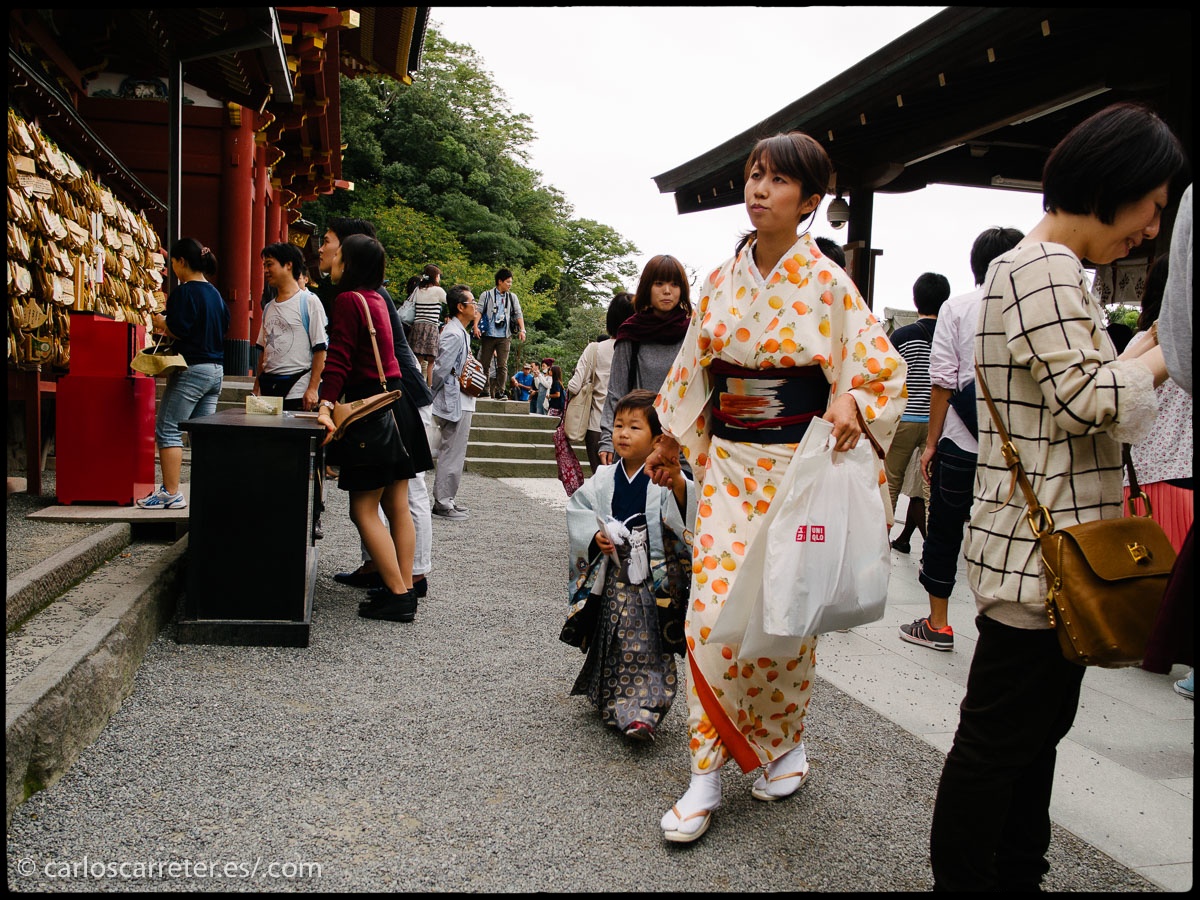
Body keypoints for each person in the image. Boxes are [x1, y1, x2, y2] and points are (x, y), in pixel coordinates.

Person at [930, 102, 1184, 891]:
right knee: (1000, 742)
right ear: (1117, 183)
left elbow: (1072, 395)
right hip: (1039, 558)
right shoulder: (1041, 267)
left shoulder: (1043, 267)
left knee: (1030, 738)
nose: (1150, 229)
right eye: (1151, 208)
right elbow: (1089, 399)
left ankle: (1018, 874)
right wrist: (1167, 353)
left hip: (1043, 550)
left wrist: (1140, 350)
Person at [644, 131, 906, 843]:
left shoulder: (829, 284)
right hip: (729, 472)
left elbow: (880, 371)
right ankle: (704, 773)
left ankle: (783, 743)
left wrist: (850, 399)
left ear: (811, 200)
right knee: (708, 618)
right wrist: (668, 439)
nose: (759, 189)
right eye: (754, 175)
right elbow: (694, 370)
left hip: (797, 476)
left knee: (785, 619)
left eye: (778, 180)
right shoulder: (720, 280)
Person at [901, 227, 1024, 652]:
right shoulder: (1032, 306)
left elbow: (942, 381)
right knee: (1009, 534)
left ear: (976, 266)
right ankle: (1005, 630)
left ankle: (938, 624)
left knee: (945, 529)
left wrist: (932, 443)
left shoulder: (958, 307)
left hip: (960, 442)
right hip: (1016, 449)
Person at [563, 389, 695, 740]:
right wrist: (595, 535)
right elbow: (578, 507)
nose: (623, 433)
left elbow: (687, 512)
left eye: (635, 427)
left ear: (658, 438)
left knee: (647, 645)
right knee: (615, 639)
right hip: (615, 576)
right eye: (619, 425)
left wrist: (678, 484)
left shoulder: (664, 475)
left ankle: (644, 712)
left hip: (652, 580)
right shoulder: (605, 476)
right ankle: (613, 701)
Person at [317, 218, 435, 599]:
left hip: (371, 411)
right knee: (397, 506)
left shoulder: (348, 300)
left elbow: (339, 359)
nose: (333, 260)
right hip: (397, 405)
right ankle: (405, 586)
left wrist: (325, 404)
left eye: (338, 255)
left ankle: (398, 594)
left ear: (349, 263)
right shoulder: (378, 299)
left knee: (363, 510)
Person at [136, 238, 230, 510]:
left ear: (181, 262)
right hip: (216, 370)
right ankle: (206, 491)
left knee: (168, 429)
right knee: (201, 434)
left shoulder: (184, 292)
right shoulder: (215, 294)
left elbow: (179, 328)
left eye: (173, 262)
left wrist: (161, 322)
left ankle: (170, 493)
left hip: (192, 369)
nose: (173, 268)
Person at [598, 256, 693, 467]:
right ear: (647, 287)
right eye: (659, 283)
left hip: (682, 445)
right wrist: (607, 439)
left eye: (674, 284)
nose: (667, 291)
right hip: (637, 445)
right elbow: (616, 392)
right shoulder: (632, 333)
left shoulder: (693, 333)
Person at [882, 272, 950, 555]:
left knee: (890, 484)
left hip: (905, 419)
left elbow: (887, 375)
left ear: (915, 300)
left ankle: (879, 545)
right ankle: (933, 551)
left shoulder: (902, 336)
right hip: (938, 423)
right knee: (931, 490)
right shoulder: (949, 336)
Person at [253, 241, 328, 412]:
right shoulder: (269, 308)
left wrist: (313, 388)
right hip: (268, 387)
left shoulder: (309, 302)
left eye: (269, 264)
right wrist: (256, 387)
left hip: (298, 387)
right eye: (264, 266)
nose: (265, 270)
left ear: (288, 265)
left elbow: (320, 349)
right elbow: (264, 351)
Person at [568, 291, 636, 473]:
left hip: (597, 426)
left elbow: (574, 386)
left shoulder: (595, 349)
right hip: (633, 428)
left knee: (601, 482)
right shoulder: (639, 350)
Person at [429, 284, 478, 520]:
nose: (475, 306)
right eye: (472, 302)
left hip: (459, 398)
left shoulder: (459, 331)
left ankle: (447, 498)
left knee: (454, 450)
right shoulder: (453, 333)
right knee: (452, 451)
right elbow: (441, 368)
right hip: (454, 398)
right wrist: (432, 394)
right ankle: (443, 502)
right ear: (460, 307)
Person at [473, 267, 527, 399]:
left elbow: (518, 313)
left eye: (511, 282)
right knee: (484, 363)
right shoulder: (486, 295)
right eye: (507, 282)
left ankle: (500, 391)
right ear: (500, 281)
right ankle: (485, 389)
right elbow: (479, 311)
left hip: (504, 335)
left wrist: (522, 329)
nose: (510, 284)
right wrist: (475, 326)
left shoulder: (512, 297)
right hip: (488, 334)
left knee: (502, 365)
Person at [409, 264, 445, 386]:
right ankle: (430, 387)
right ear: (435, 276)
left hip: (417, 327)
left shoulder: (418, 290)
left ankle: (415, 385)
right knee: (431, 361)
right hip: (431, 327)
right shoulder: (438, 290)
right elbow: (450, 301)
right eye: (438, 275)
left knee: (417, 360)